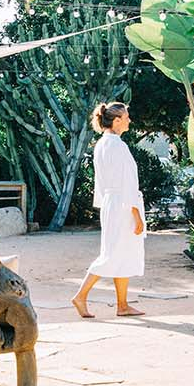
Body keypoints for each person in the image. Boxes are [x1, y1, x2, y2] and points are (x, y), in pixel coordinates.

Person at [72, 101, 147, 318]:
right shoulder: (118, 146)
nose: (129, 120)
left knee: (121, 254)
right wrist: (136, 215)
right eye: (126, 117)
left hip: (112, 204)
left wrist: (108, 205)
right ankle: (80, 296)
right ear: (116, 120)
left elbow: (102, 183)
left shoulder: (102, 144)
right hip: (123, 205)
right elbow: (128, 183)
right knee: (112, 255)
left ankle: (122, 305)